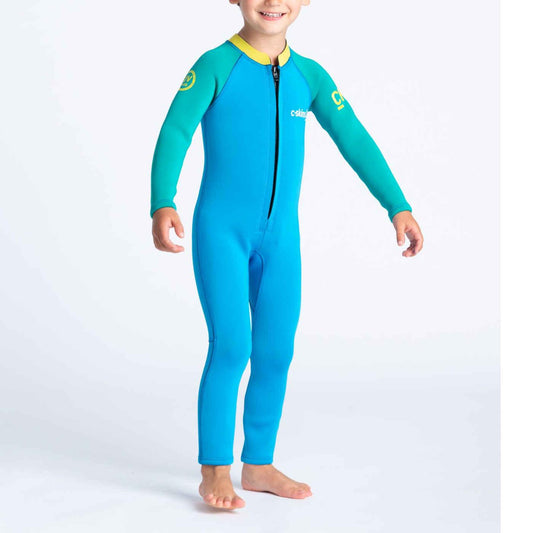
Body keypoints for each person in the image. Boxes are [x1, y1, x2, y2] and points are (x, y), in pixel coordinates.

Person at [150, 0, 424, 511]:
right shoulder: (215, 65)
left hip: (281, 242)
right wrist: (163, 199)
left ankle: (257, 465)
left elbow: (354, 138)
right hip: (222, 233)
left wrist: (397, 205)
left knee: (275, 350)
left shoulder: (310, 76)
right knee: (232, 346)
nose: (273, 2)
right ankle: (215, 470)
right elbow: (176, 130)